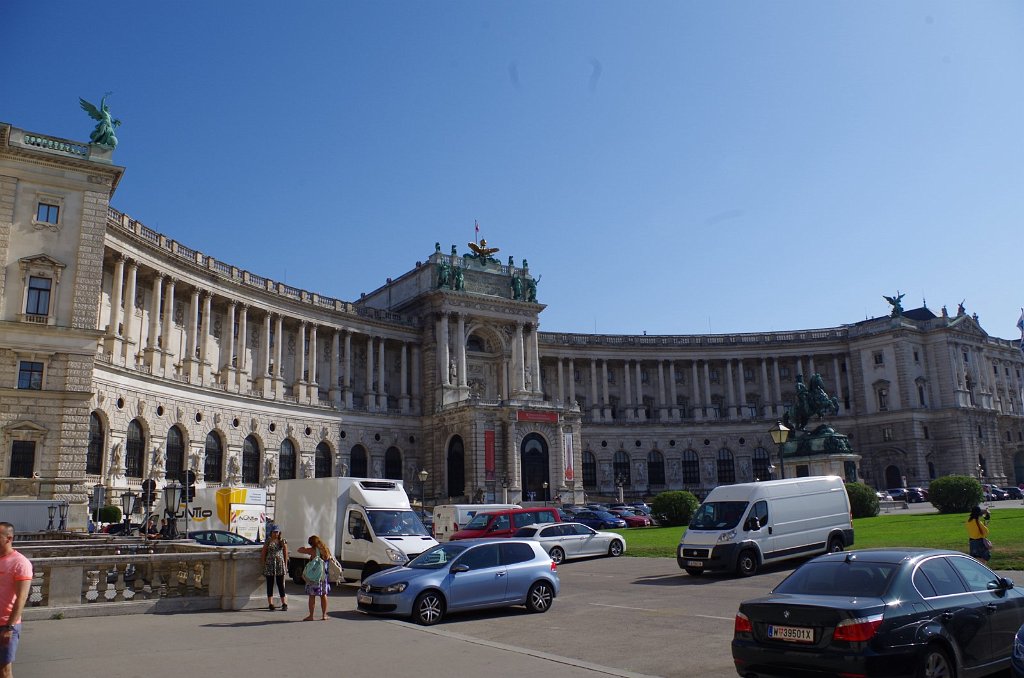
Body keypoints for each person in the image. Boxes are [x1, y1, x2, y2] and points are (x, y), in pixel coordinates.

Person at [0, 522, 33, 678]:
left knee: (4, 670)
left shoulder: (20, 563)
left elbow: (22, 598)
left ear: (9, 538)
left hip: (5, 624)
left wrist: (9, 627)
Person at [298, 535, 331, 621]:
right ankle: (324, 615)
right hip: (323, 577)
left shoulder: (312, 550)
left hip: (314, 577)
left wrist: (305, 548)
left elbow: (299, 550)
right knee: (323, 595)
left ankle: (311, 616)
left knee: (312, 596)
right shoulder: (325, 550)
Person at [261, 527, 288, 611]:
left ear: (279, 533)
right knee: (270, 584)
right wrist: (264, 564)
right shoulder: (268, 541)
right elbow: (264, 553)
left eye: (277, 532)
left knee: (280, 584)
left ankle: (284, 603)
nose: (276, 534)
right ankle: (271, 604)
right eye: (274, 532)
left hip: (279, 564)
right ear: (271, 532)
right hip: (270, 564)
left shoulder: (282, 541)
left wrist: (285, 565)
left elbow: (285, 553)